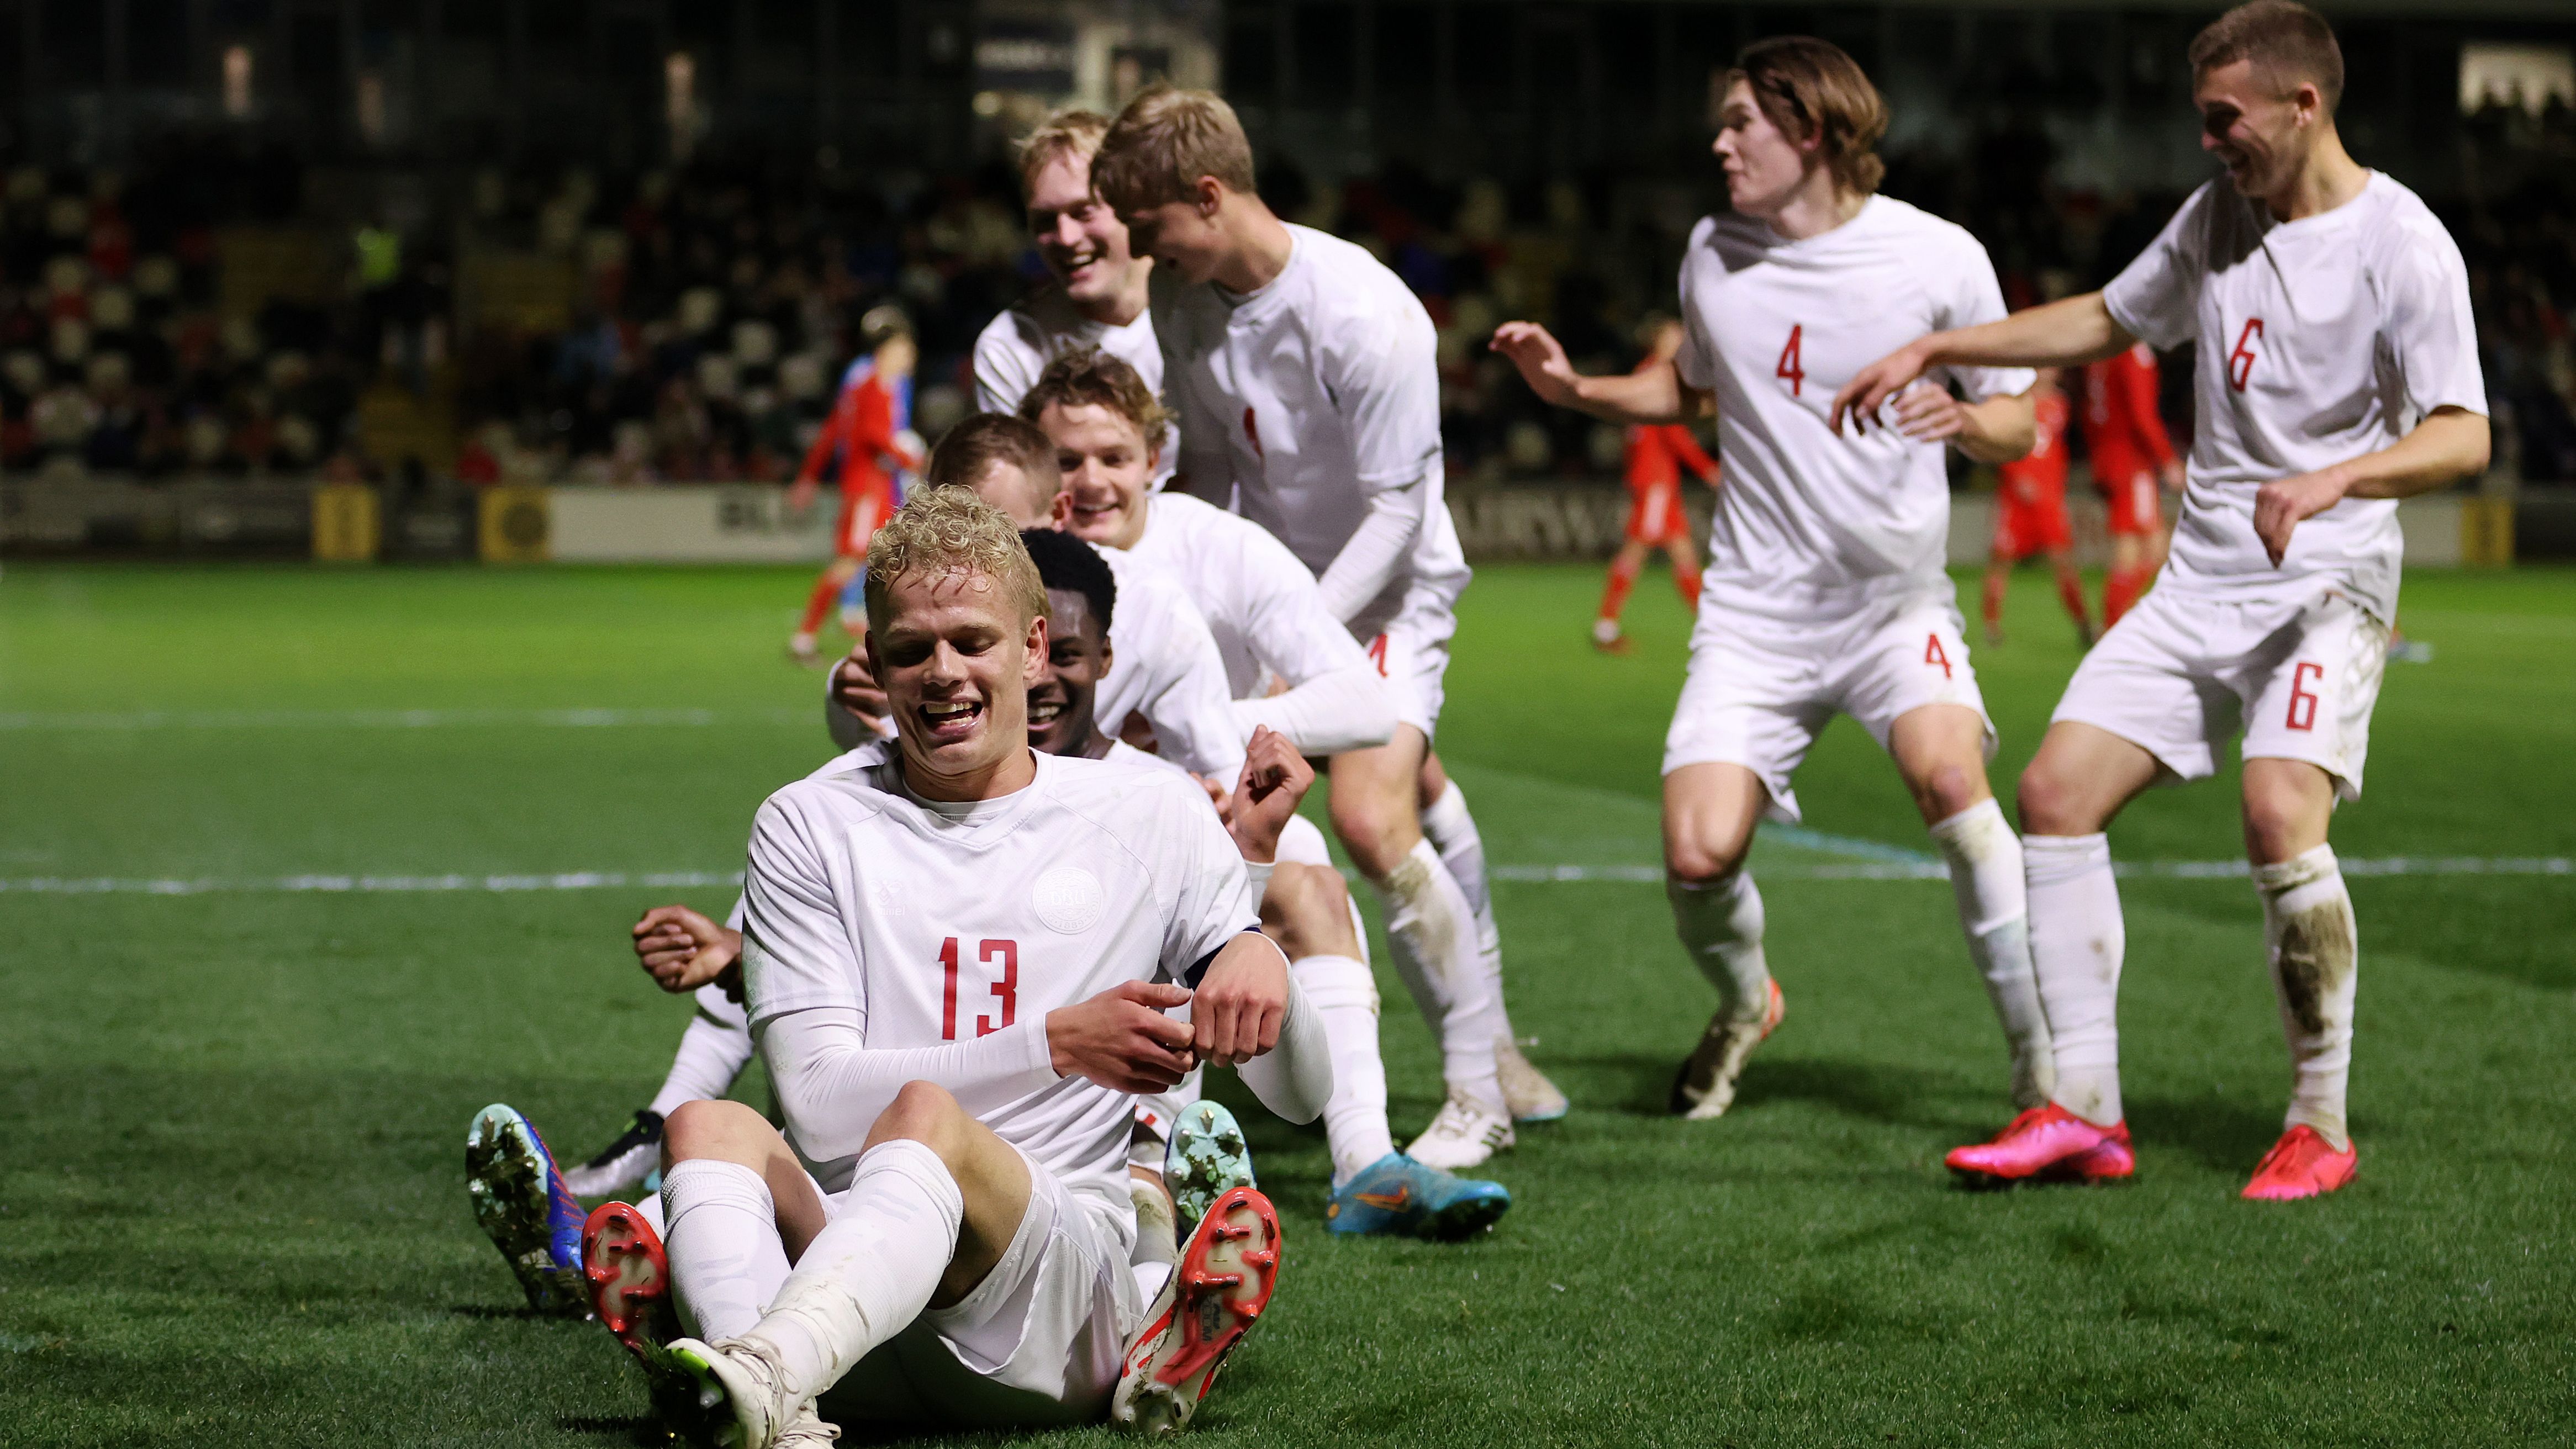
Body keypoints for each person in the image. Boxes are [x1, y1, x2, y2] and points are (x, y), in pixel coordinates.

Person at [1833, 0, 2489, 1199]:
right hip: (2201, 578)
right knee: (2053, 792)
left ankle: (2318, 1121)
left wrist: (2339, 475)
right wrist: (1940, 347)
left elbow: (2462, 435)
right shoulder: (2218, 217)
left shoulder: (2405, 244)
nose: (2208, 142)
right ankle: (2083, 1111)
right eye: (2201, 120)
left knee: (2277, 810)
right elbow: (2105, 317)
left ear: (2306, 104)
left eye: (2223, 119)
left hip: (2328, 578)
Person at [584, 488, 1332, 1445]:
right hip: (850, 1313)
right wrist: (1056, 1041)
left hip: (1038, 1319)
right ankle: (769, 1394)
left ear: (1030, 646)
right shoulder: (808, 820)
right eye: (910, 650)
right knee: (709, 1123)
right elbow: (812, 1102)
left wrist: (1261, 958)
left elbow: (1302, 1096)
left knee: (924, 1122)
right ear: (877, 661)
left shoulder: (1149, 811)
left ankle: (759, 1370)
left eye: (971, 641)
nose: (942, 673)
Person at [1492, 37, 2055, 1124]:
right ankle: (1749, 1000)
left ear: (1812, 130)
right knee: (1696, 854)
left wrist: (1968, 418)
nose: (1719, 143)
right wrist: (1574, 391)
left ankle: (2040, 1073)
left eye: (1741, 121)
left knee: (1952, 786)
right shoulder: (1713, 248)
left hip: (1894, 609)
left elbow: (2021, 419)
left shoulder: (1938, 256)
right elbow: (1690, 386)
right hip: (1753, 617)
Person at [1094, 85, 1546, 1169]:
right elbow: (1203, 473)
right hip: (1281, 590)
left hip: (1389, 593)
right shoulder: (1184, 298)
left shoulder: (1364, 310)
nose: (1137, 250)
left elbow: (1399, 511)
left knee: (1371, 814)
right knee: (1416, 793)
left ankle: (1477, 1087)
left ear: (1207, 196)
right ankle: (1502, 1055)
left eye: (1148, 225)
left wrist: (1309, 631)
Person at [1024, 345, 1524, 1232]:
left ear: (1157, 460)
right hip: (1038, 819)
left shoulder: (1220, 549)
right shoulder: (1015, 551)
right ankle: (1131, 1162)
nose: (1092, 479)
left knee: (1310, 873)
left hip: (1208, 813)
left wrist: (1209, 727)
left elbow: (1365, 698)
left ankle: (1365, 1163)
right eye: (1067, 459)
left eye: (1113, 457)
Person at [973, 109, 1174, 481]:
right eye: (1046, 221)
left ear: (1130, 203)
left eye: (1083, 212)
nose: (1065, 238)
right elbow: (1023, 508)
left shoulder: (1201, 314)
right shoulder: (1012, 348)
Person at [786, 305, 922, 664]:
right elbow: (870, 433)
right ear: (887, 351)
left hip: (876, 484)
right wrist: (909, 458)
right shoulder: (872, 385)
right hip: (867, 487)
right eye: (905, 351)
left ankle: (875, 634)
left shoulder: (879, 385)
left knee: (885, 558)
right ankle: (805, 638)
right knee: (851, 561)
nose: (910, 359)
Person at [1595, 318, 1719, 655]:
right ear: (1659, 343)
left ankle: (1712, 630)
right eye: (1675, 339)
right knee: (1638, 549)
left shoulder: (1643, 373)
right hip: (1656, 480)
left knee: (1682, 553)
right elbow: (1673, 433)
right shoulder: (1660, 376)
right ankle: (1606, 627)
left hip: (1655, 478)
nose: (1680, 345)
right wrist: (1708, 469)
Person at [1981, 367, 2095, 647]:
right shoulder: (2016, 402)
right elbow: (2002, 443)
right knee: (2001, 562)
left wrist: (2056, 485)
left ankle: (2084, 625)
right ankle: (1991, 627)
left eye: (2052, 367)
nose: (2048, 372)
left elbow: (2057, 451)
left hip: (2049, 500)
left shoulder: (2061, 404)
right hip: (2016, 501)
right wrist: (2017, 475)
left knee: (2064, 563)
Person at [2080, 340, 2184, 626]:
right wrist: (2168, 460)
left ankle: (2122, 620)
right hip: (2132, 463)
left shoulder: (2101, 356)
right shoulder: (2134, 354)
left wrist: (2099, 460)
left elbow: (2091, 414)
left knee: (2150, 547)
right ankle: (2113, 624)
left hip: (2108, 458)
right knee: (2143, 550)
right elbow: (2142, 415)